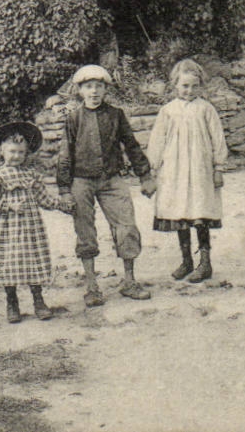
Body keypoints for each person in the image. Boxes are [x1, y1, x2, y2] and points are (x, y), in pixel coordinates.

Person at [56, 64, 156, 306]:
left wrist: (145, 176)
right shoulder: (73, 118)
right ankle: (91, 286)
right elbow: (65, 155)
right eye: (88, 87)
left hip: (112, 179)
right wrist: (64, 190)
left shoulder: (116, 115)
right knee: (85, 231)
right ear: (80, 91)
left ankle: (129, 281)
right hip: (82, 181)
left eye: (99, 86)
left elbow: (131, 145)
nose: (94, 92)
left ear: (105, 89)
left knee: (127, 226)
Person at [147, 58, 229, 283]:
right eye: (184, 86)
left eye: (194, 86)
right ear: (175, 85)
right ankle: (186, 261)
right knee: (180, 214)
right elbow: (157, 141)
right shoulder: (168, 111)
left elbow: (218, 140)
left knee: (200, 213)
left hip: (200, 170)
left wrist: (218, 168)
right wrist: (152, 169)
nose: (189, 90)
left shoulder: (206, 109)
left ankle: (205, 263)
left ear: (200, 85)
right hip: (175, 171)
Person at [0, 121, 70, 323]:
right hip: (5, 228)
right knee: (8, 263)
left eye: (21, 152)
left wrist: (62, 205)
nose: (16, 156)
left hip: (29, 228)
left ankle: (38, 300)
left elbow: (43, 199)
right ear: (1, 152)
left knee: (32, 261)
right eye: (12, 152)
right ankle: (12, 302)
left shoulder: (31, 175)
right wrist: (8, 206)